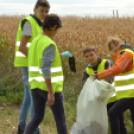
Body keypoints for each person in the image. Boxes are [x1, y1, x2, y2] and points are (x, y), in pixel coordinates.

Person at [24, 14, 71, 134]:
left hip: (35, 86)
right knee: (60, 119)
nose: (56, 32)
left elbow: (40, 59)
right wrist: (50, 92)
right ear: (53, 27)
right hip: (50, 87)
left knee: (37, 118)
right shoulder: (49, 43)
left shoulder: (35, 41)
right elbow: (45, 67)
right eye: (57, 29)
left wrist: (59, 55)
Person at [14, 0, 50, 134]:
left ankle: (22, 128)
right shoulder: (29, 22)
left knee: (29, 98)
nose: (44, 14)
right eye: (42, 10)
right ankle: (34, 130)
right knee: (35, 98)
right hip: (28, 64)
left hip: (30, 64)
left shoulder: (38, 24)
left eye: (47, 12)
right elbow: (22, 47)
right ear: (35, 9)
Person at [92, 37, 134, 134]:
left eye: (116, 44)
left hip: (131, 94)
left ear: (122, 42)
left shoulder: (126, 53)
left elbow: (117, 69)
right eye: (112, 47)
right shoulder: (125, 54)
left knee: (112, 113)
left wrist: (99, 75)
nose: (115, 48)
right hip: (129, 93)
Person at [82, 45, 128, 134]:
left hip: (113, 99)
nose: (89, 58)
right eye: (87, 56)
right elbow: (85, 86)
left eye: (91, 55)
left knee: (120, 124)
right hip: (99, 102)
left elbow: (110, 79)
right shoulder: (86, 71)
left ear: (96, 54)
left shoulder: (106, 63)